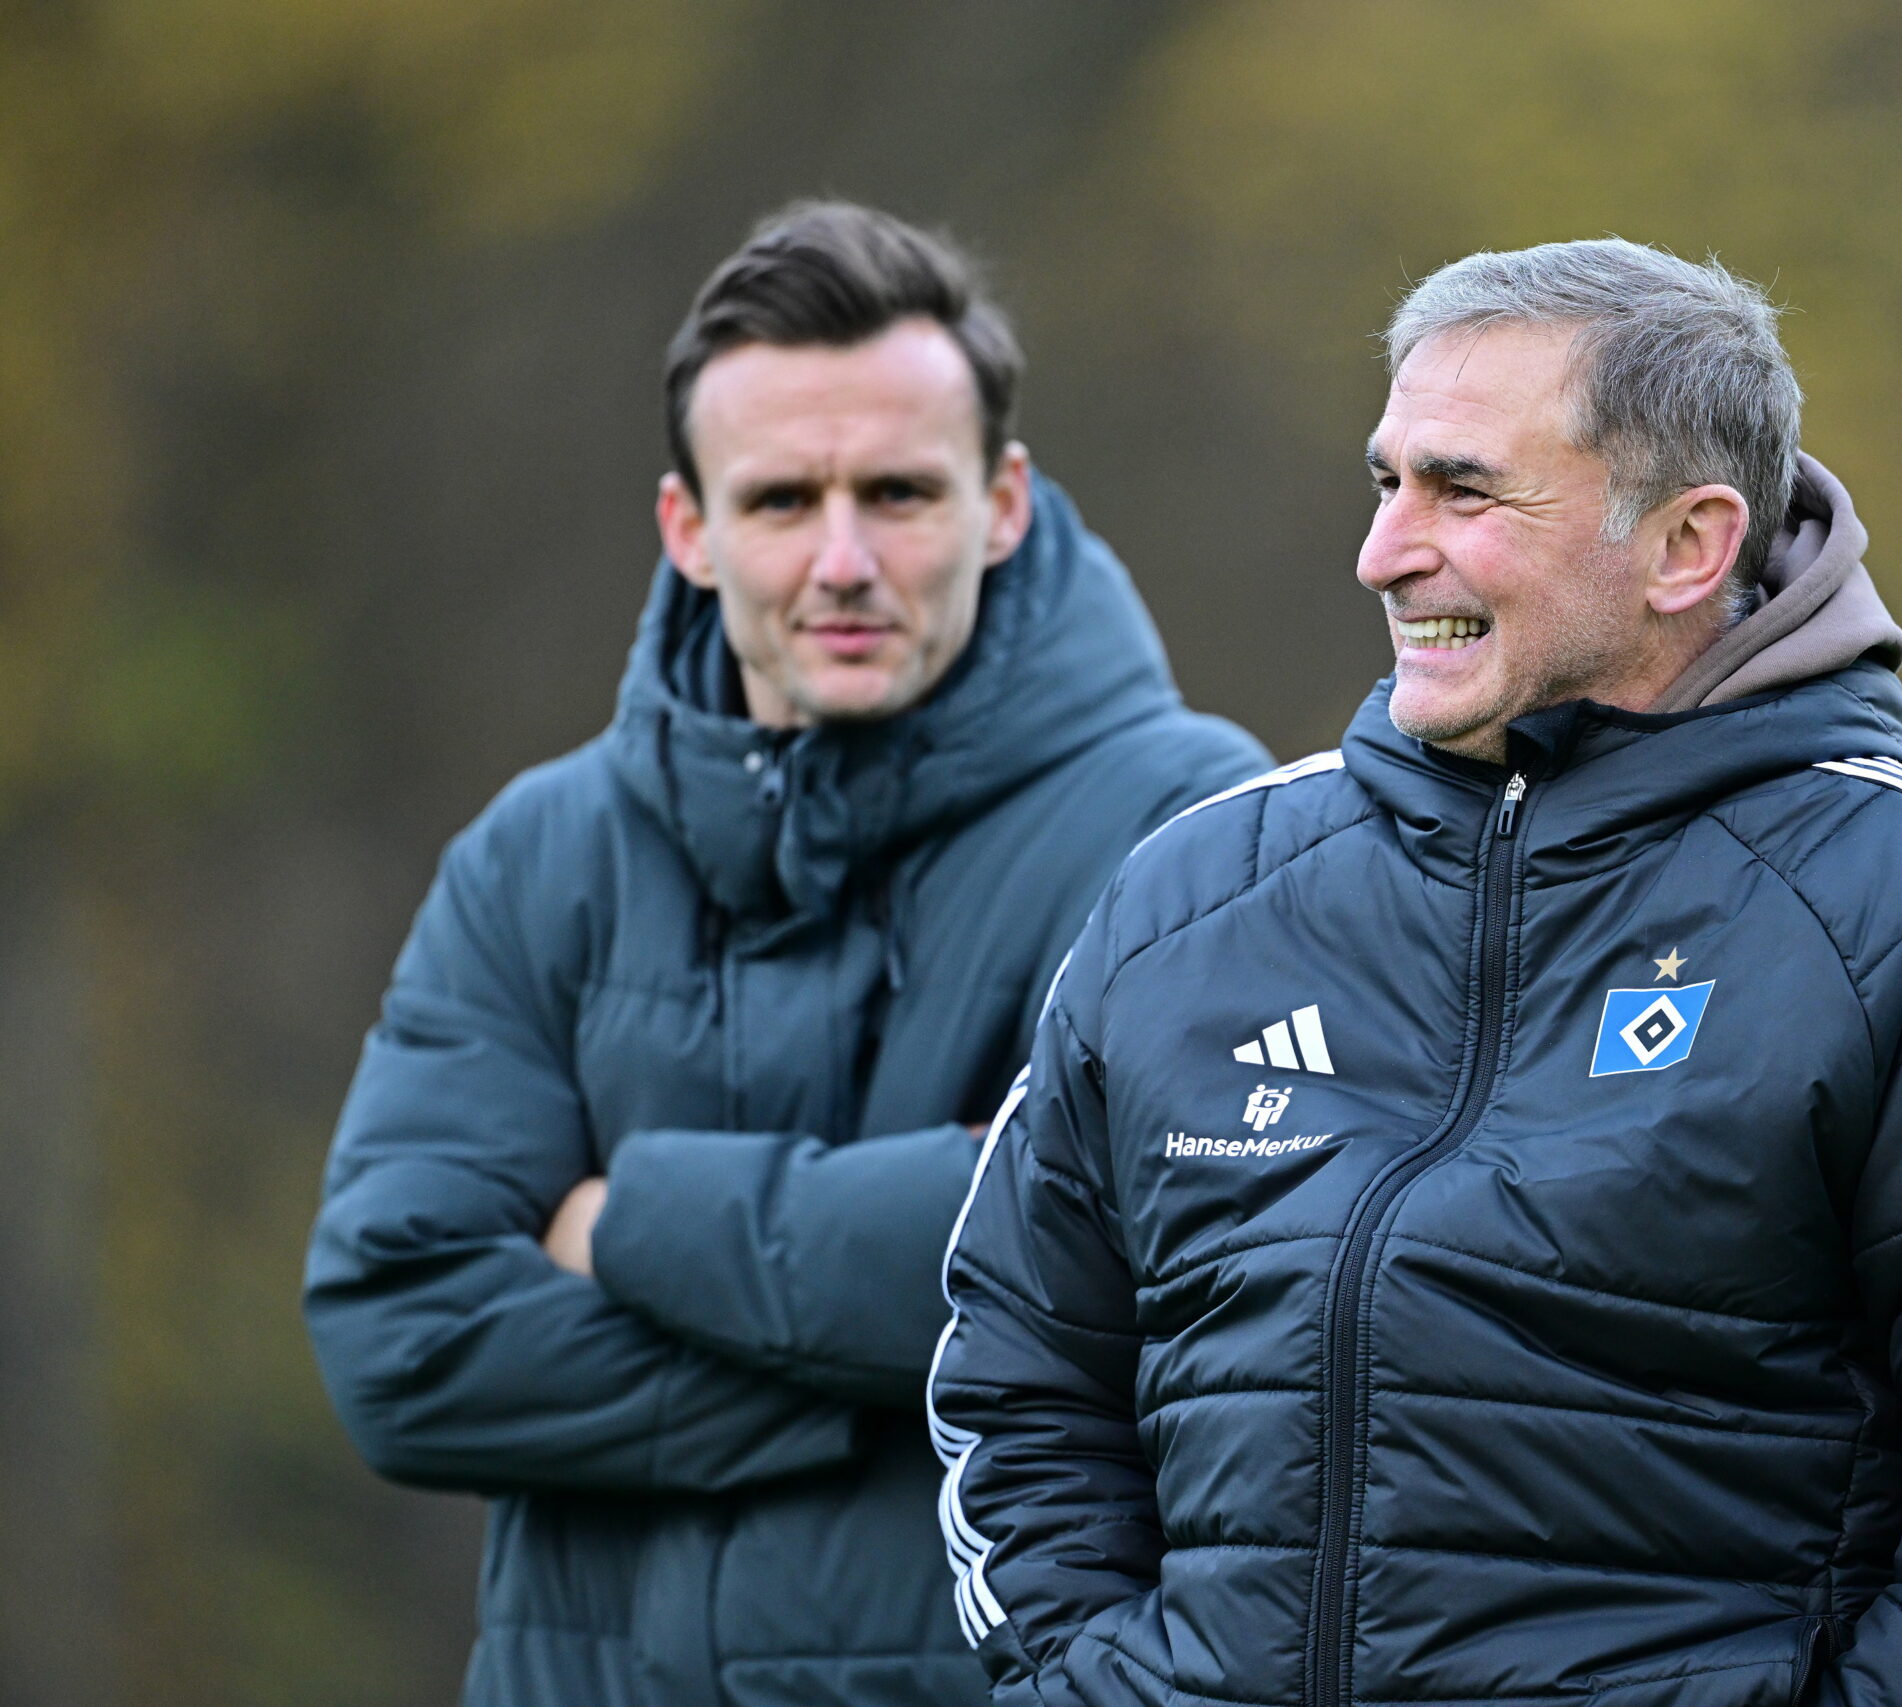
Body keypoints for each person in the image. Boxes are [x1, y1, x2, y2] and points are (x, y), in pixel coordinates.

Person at [931, 239, 1902, 1707]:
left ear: (1687, 546)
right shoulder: (1191, 893)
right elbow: (1014, 1388)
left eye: (1464, 491)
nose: (1385, 550)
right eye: (1386, 480)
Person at [303, 201, 1269, 1707]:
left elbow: (1138, 1268)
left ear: (1003, 500)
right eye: (778, 501)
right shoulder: (535, 851)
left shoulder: (1190, 828)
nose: (841, 560)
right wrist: (877, 1373)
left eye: (897, 492)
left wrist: (629, 1225)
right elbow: (404, 1346)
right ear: (686, 527)